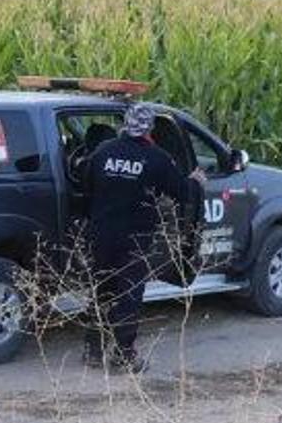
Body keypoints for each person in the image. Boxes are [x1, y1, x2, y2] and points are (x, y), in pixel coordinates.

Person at [83, 102, 205, 373]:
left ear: (125, 124)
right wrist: (195, 181)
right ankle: (124, 355)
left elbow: (85, 185)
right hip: (134, 239)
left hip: (101, 234)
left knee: (100, 290)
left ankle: (93, 349)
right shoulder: (156, 158)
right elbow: (182, 193)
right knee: (128, 295)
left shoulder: (103, 152)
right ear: (150, 128)